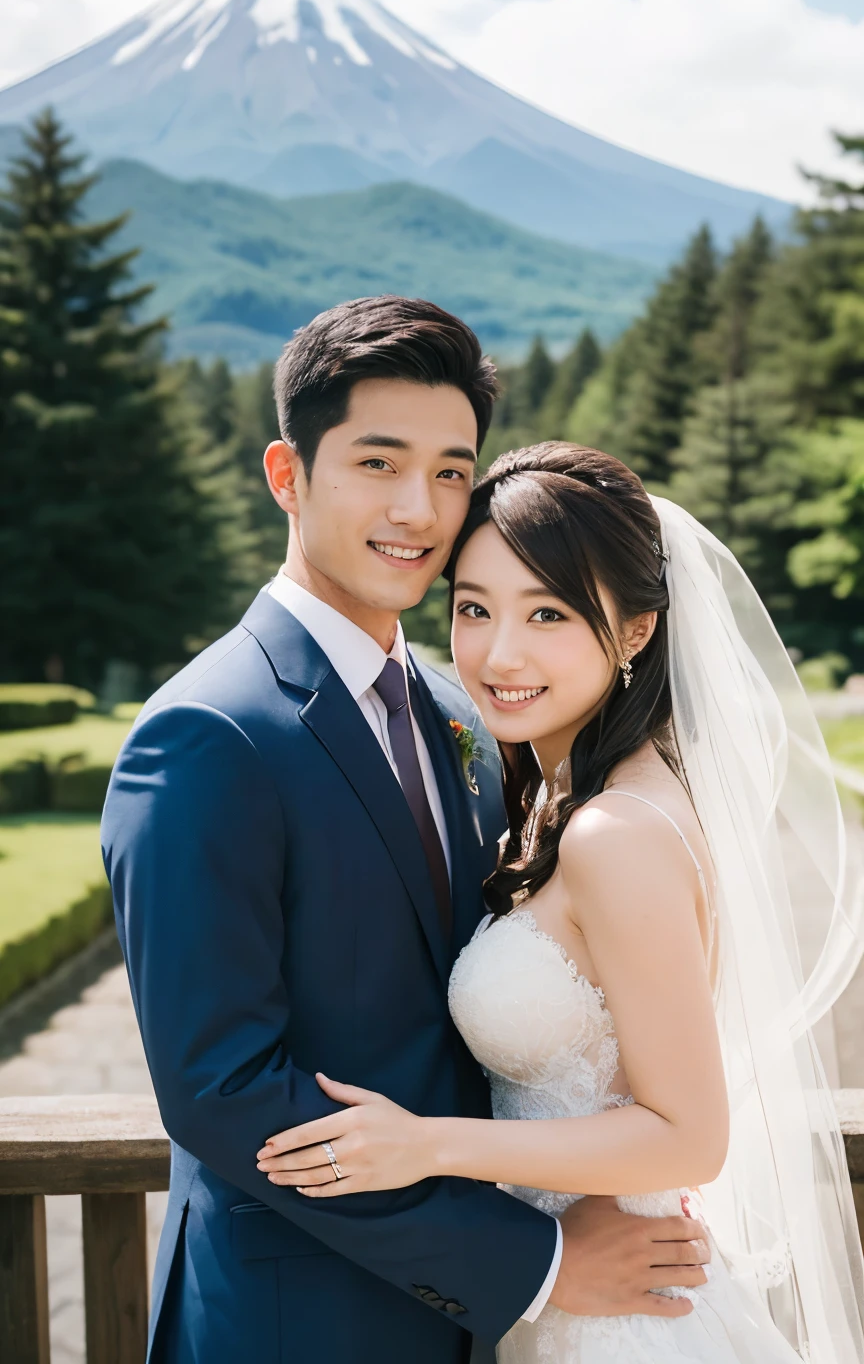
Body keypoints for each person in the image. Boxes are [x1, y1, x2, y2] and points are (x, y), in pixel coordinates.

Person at [101, 305, 708, 1364]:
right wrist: (541, 1262)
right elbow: (221, 1091)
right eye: (379, 463)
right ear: (287, 474)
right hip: (302, 1320)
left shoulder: (460, 708)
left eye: (448, 473)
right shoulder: (207, 735)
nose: (418, 510)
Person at [257, 442, 864, 1363]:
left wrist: (425, 1147)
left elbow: (687, 1137)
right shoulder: (562, 798)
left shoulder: (613, 832)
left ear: (634, 631)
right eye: (474, 608)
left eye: (548, 612)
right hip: (561, 1294)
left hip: (624, 1318)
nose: (500, 654)